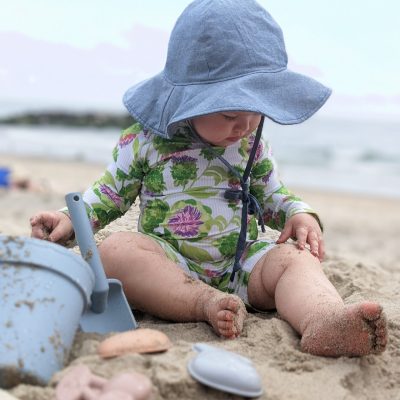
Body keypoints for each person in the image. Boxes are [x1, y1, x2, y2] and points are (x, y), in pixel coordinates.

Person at [30, 0, 387, 357]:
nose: (244, 126)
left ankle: (323, 320)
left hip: (243, 263)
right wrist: (68, 220)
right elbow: (108, 194)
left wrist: (298, 214)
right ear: (189, 99)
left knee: (295, 260)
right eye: (231, 112)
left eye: (255, 112)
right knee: (117, 251)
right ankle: (202, 303)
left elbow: (273, 194)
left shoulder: (252, 146)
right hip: (169, 264)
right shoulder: (146, 141)